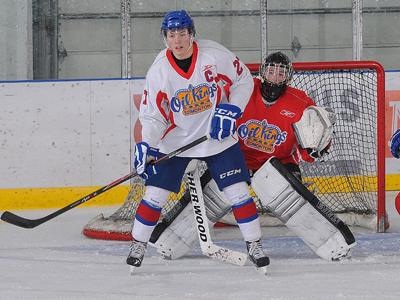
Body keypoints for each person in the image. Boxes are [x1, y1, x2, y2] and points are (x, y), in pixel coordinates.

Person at [150, 51, 355, 262]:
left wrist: (317, 147)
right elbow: (209, 112)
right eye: (271, 71)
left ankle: (335, 243)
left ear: (289, 76)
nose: (275, 77)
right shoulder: (243, 90)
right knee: (210, 195)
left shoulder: (300, 103)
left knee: (295, 200)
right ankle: (169, 240)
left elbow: (308, 154)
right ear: (262, 72)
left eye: (281, 73)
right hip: (237, 159)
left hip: (279, 164)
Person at [126, 10, 269, 274]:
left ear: (192, 34)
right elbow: (152, 116)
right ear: (165, 38)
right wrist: (146, 144)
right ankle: (138, 245)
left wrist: (232, 109)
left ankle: (254, 244)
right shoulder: (159, 71)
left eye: (182, 33)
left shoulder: (215, 55)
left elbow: (244, 80)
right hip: (175, 142)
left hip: (217, 137)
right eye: (172, 35)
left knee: (238, 192)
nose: (177, 40)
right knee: (155, 196)